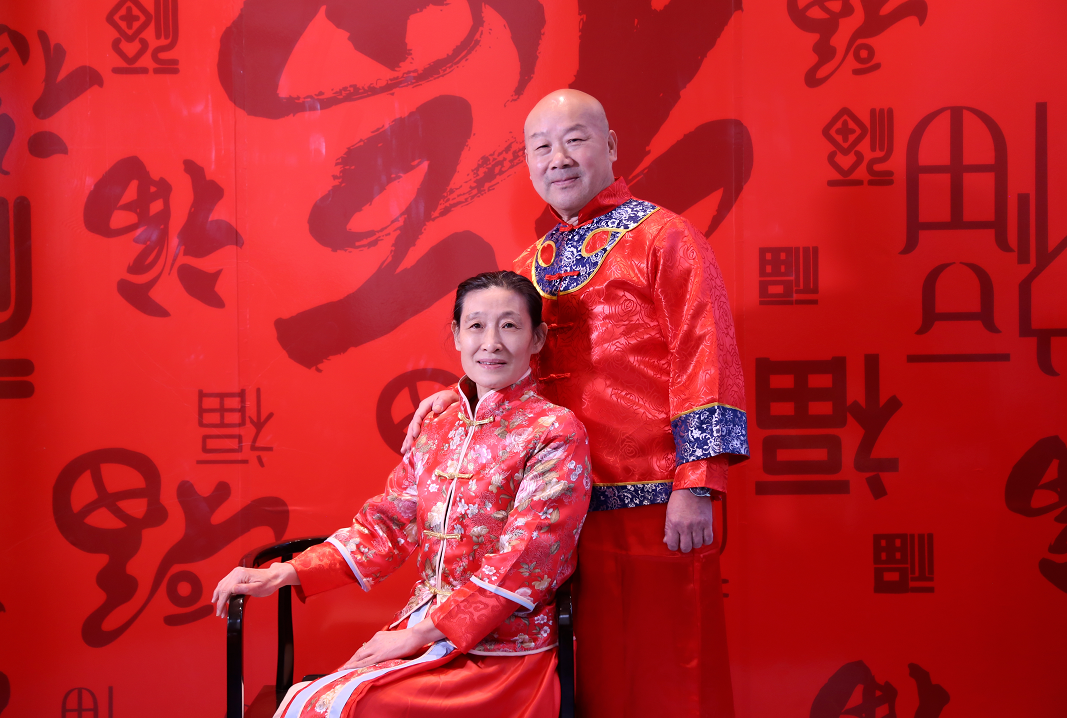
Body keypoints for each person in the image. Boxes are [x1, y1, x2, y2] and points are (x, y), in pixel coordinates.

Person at [403, 90, 749, 717]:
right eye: (541, 147)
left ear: (610, 146)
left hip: (654, 501)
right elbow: (510, 363)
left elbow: (707, 354)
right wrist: (456, 399)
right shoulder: (529, 265)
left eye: (575, 140)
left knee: (671, 669)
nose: (558, 158)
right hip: (554, 509)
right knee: (579, 673)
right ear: (529, 164)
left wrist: (698, 480)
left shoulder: (664, 238)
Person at [213, 270, 592, 718]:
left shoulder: (555, 431)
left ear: (537, 338)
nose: (491, 342)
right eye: (476, 325)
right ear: (457, 335)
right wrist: (285, 573)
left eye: (509, 325)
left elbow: (525, 562)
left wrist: (416, 636)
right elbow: (387, 527)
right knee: (313, 704)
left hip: (504, 654)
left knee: (333, 709)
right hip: (422, 637)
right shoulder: (437, 428)